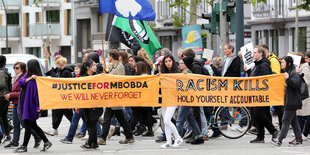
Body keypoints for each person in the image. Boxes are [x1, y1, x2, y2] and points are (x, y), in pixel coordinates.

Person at [14, 59, 52, 153]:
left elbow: (38, 95)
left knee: (28, 125)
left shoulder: (37, 79)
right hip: (25, 104)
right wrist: (30, 78)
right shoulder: (29, 76)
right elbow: (21, 83)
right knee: (33, 125)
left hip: (30, 106)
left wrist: (39, 107)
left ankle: (24, 146)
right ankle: (46, 141)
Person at [98, 49, 134, 145]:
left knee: (107, 118)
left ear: (112, 56)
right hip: (112, 96)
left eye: (109, 56)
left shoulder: (120, 67)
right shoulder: (113, 66)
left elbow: (120, 82)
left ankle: (102, 138)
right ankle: (129, 136)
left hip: (115, 97)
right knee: (121, 118)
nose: (108, 57)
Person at [4, 62, 41, 148]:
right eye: (14, 68)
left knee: (25, 124)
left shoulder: (25, 76)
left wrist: (11, 95)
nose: (15, 70)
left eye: (17, 68)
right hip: (15, 102)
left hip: (21, 103)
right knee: (16, 123)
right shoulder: (16, 78)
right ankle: (15, 141)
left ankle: (37, 137)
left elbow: (22, 92)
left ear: (22, 69)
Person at [247, 46, 279, 143]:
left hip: (262, 94)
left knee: (258, 114)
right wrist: (249, 71)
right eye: (253, 53)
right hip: (257, 93)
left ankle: (273, 130)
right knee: (258, 115)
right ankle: (260, 136)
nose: (253, 54)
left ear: (261, 53)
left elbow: (265, 79)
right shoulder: (257, 64)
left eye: (255, 52)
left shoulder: (264, 65)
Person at [271, 56, 303, 147]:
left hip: (292, 101)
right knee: (293, 121)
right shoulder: (287, 72)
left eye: (283, 62)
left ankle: (280, 140)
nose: (281, 64)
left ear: (288, 63)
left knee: (285, 120)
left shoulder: (293, 73)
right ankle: (299, 138)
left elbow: (296, 84)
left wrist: (288, 79)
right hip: (289, 101)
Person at [159, 55, 183, 149]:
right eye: (166, 61)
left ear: (173, 61)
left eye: (169, 61)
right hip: (164, 98)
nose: (168, 63)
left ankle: (178, 137)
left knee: (167, 120)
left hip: (173, 99)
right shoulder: (163, 73)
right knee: (165, 122)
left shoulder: (177, 72)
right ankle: (168, 141)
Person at [45, 57, 73, 136]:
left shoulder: (66, 72)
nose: (57, 65)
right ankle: (54, 129)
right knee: (62, 114)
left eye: (58, 64)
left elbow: (59, 81)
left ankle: (77, 127)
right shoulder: (59, 70)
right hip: (60, 96)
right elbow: (46, 73)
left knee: (68, 115)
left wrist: (53, 74)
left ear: (61, 64)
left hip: (65, 96)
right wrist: (47, 67)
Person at [79, 60, 103, 150]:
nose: (95, 67)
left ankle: (90, 143)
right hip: (87, 104)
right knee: (90, 123)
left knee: (92, 123)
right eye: (93, 65)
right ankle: (94, 143)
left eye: (95, 65)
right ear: (87, 67)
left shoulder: (98, 76)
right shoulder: (83, 78)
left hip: (96, 104)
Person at [260, 44, 283, 130]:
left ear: (266, 50)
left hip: (275, 87)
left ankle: (282, 127)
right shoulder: (267, 60)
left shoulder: (273, 60)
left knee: (279, 109)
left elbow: (275, 74)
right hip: (270, 87)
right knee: (267, 109)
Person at [129, 62, 154, 137]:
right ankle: (148, 129)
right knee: (146, 114)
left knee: (136, 114)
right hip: (147, 99)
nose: (135, 69)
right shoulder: (148, 77)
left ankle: (130, 130)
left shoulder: (140, 78)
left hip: (141, 99)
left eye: (136, 68)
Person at [295, 52, 310, 141]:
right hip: (304, 95)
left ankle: (303, 133)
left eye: (307, 58)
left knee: (305, 115)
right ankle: (301, 133)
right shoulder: (304, 67)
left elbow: (306, 82)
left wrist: (299, 76)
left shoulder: (304, 68)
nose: (306, 60)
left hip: (305, 94)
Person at [0, 55, 11, 143]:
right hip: (5, 96)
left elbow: (2, 85)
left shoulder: (1, 72)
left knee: (2, 116)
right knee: (3, 116)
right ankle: (6, 134)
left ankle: (3, 134)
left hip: (1, 96)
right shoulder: (5, 71)